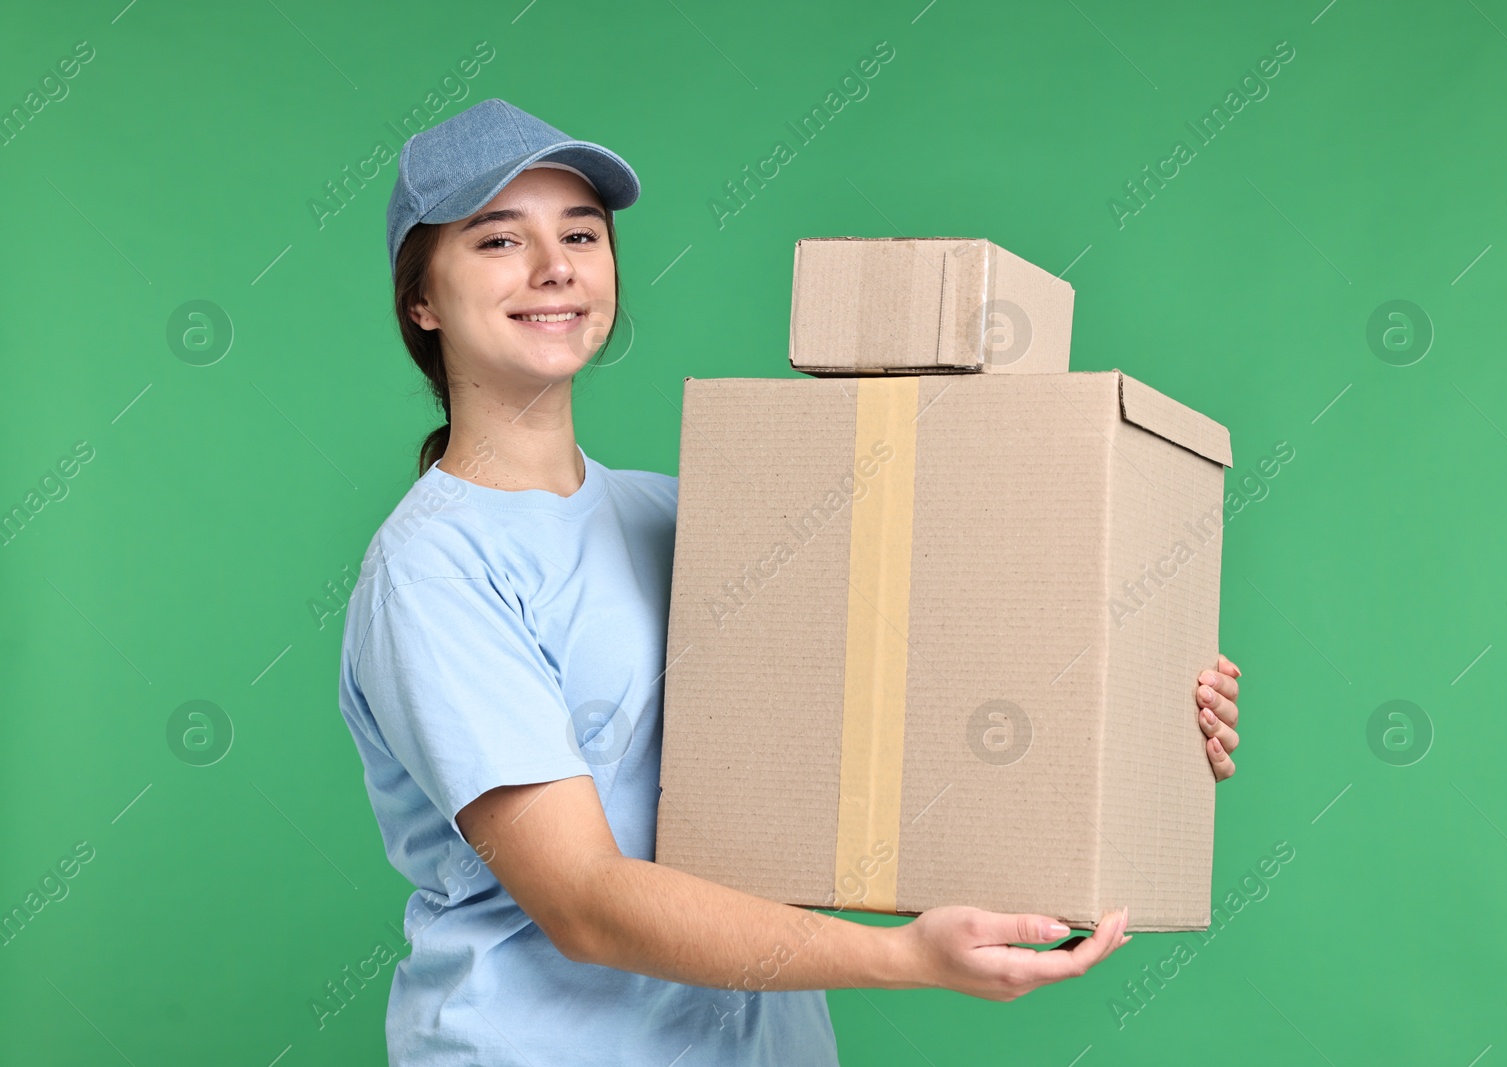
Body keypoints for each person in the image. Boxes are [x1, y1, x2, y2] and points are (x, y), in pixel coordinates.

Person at [336, 98, 1246, 1066]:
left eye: (581, 234)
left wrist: (1133, 713)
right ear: (420, 299)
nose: (554, 266)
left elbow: (905, 703)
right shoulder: (435, 567)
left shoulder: (680, 513)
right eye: (496, 240)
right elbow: (585, 901)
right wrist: (902, 953)